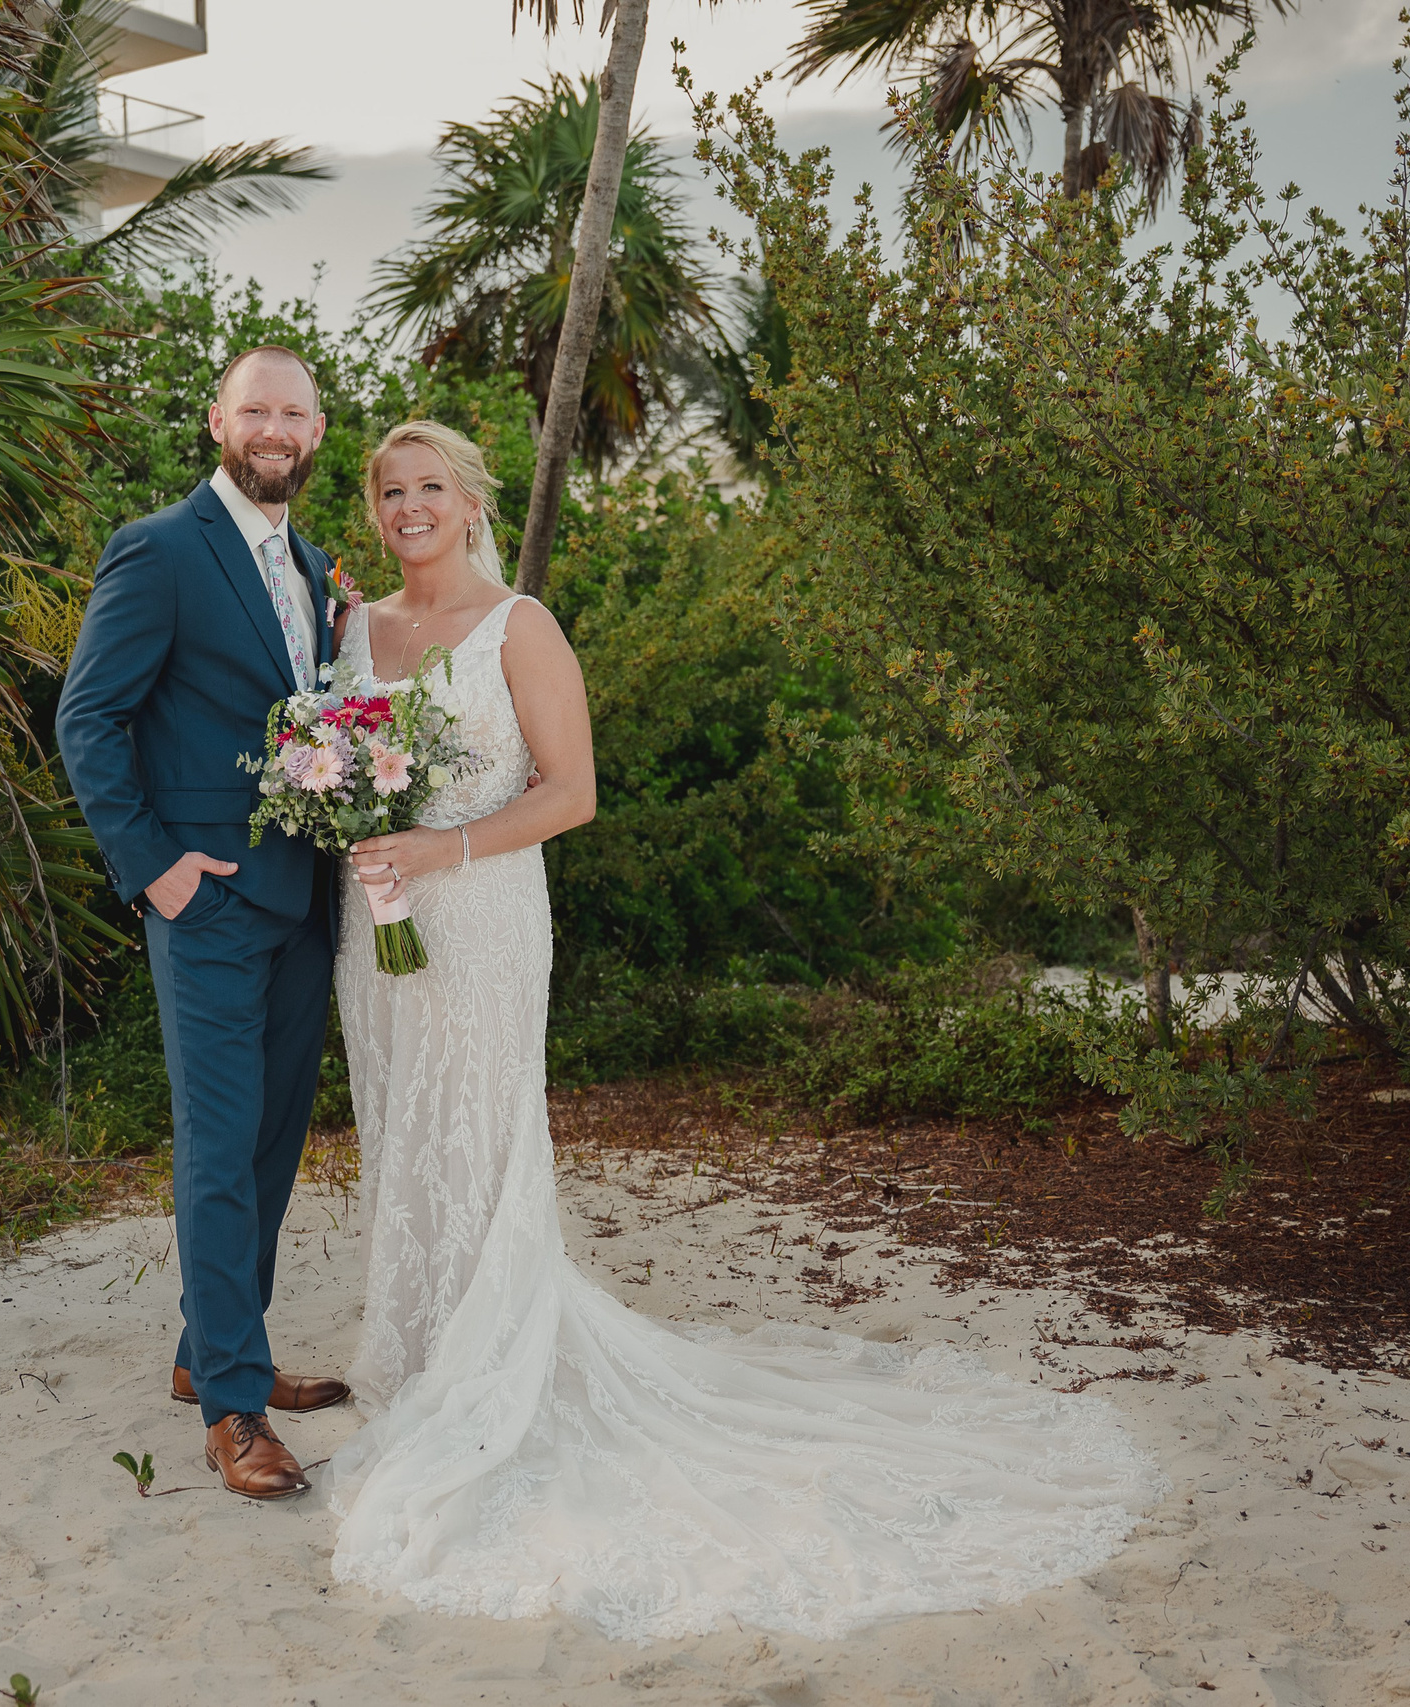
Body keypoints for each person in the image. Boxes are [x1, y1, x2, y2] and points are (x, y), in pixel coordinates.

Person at [322, 421, 1169, 1641]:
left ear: (470, 503)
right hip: (378, 922)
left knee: (484, 1133)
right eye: (390, 490)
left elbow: (572, 793)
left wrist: (441, 846)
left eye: (430, 487)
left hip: (483, 912)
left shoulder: (520, 626)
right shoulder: (355, 631)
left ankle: (489, 1361)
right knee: (404, 1121)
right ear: (375, 508)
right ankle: (414, 1351)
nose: (409, 506)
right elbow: (337, 766)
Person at [54, 345, 353, 1502]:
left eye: (294, 412)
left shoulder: (311, 564)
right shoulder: (161, 548)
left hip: (303, 901)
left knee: (272, 1144)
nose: (274, 428)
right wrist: (152, 870)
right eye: (254, 409)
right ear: (218, 424)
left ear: (315, 432)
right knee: (220, 1150)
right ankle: (234, 1410)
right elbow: (89, 716)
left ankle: (211, 1351)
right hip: (210, 902)